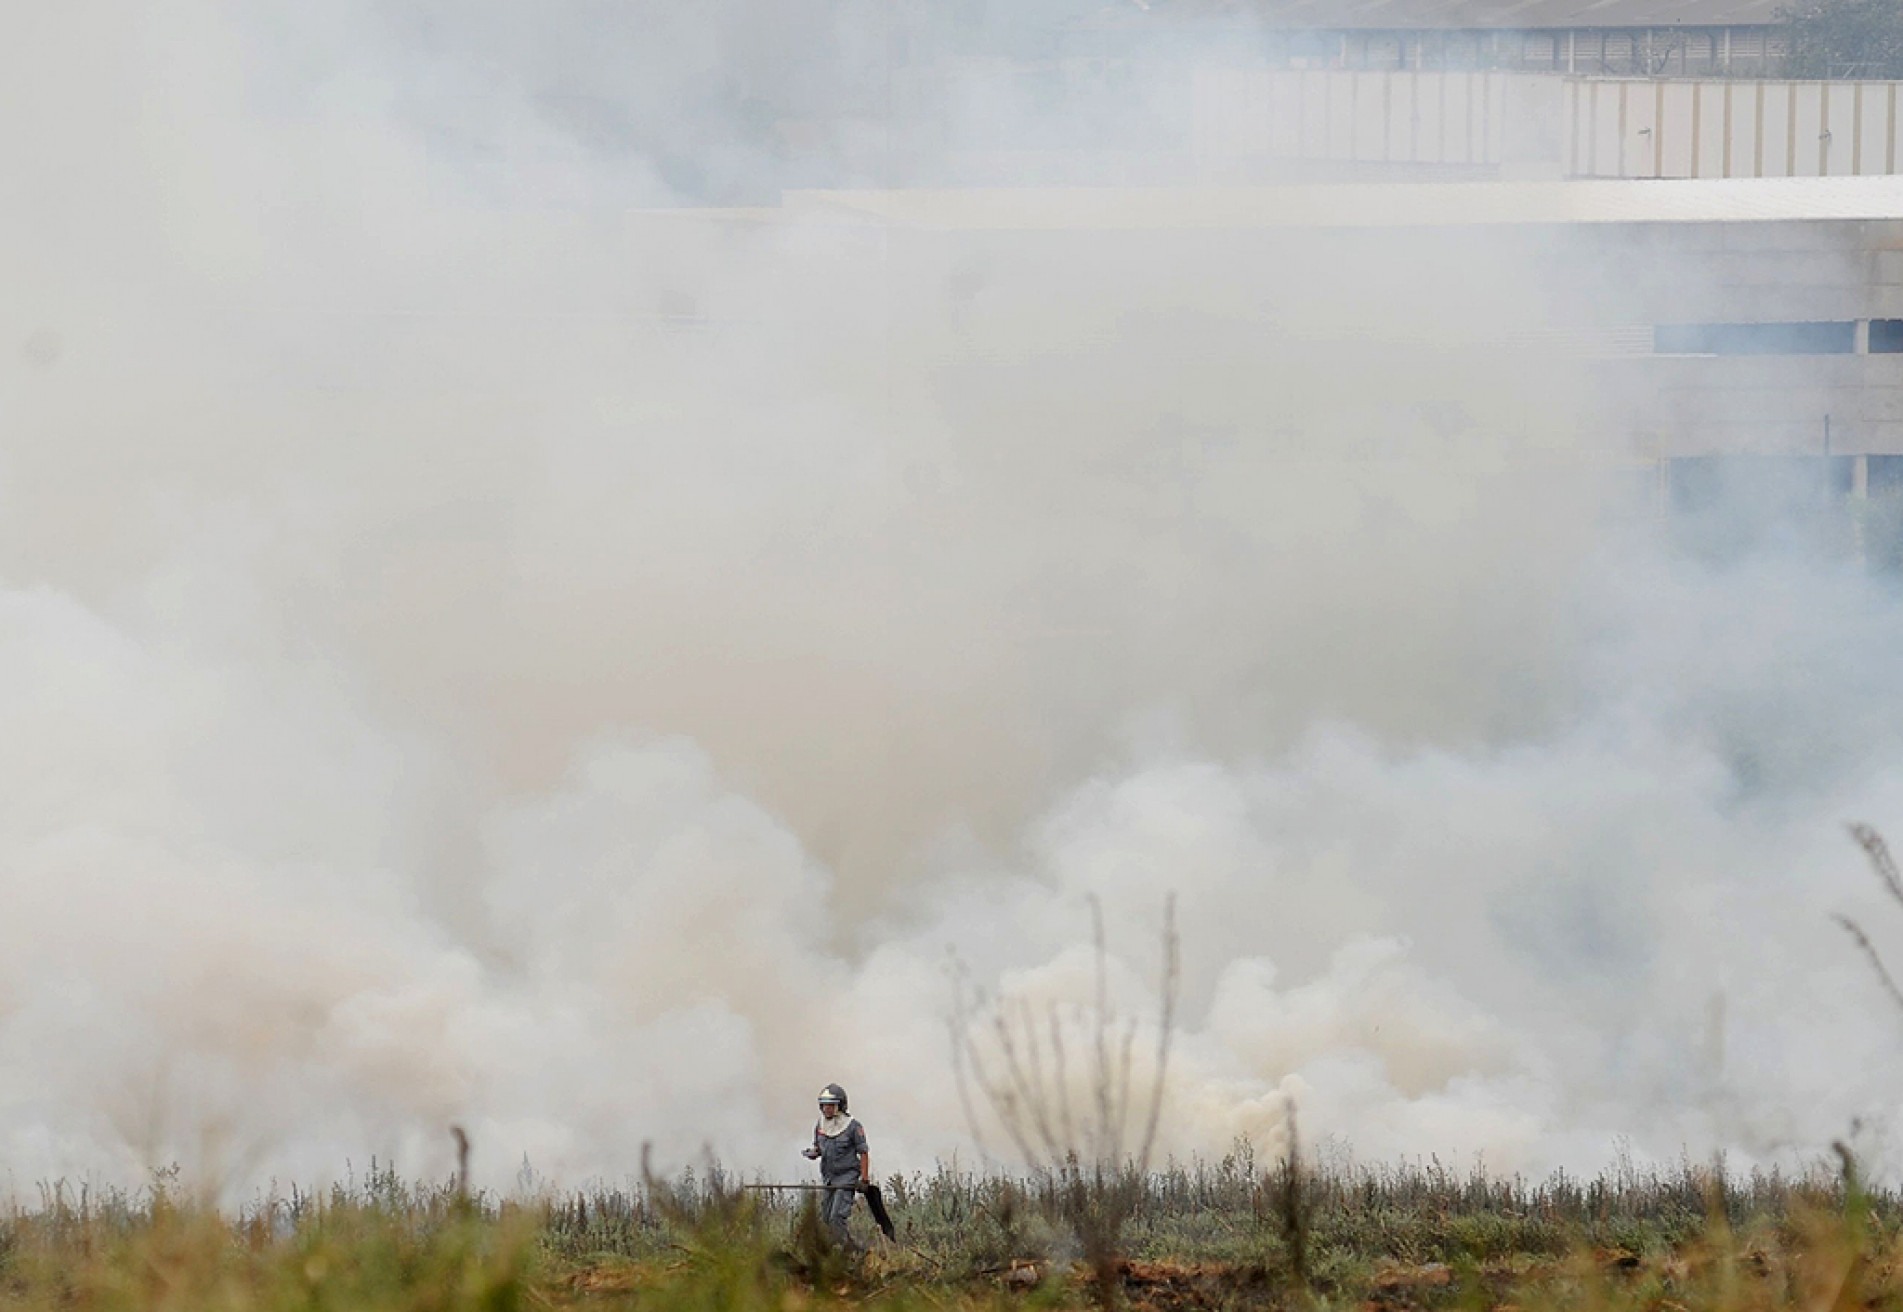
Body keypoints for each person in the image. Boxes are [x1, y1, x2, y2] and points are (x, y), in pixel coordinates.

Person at [801, 1083, 868, 1247]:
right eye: (824, 1105)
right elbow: (819, 1147)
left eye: (831, 1105)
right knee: (826, 1217)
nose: (827, 1109)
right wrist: (814, 1152)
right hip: (829, 1178)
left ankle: (847, 1254)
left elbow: (864, 1153)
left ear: (840, 1105)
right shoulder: (820, 1125)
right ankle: (852, 1249)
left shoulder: (853, 1126)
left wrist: (864, 1180)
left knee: (837, 1217)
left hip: (847, 1178)